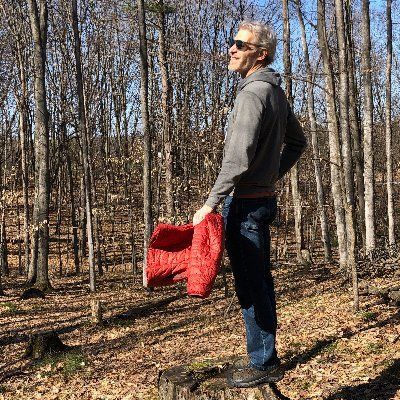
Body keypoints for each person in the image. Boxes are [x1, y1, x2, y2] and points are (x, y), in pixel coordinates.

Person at [193, 20, 307, 388]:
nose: (232, 48)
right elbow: (298, 143)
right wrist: (269, 176)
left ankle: (263, 362)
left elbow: (237, 159)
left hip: (244, 205)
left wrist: (210, 203)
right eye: (233, 42)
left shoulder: (252, 94)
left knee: (251, 285)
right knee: (258, 281)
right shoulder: (275, 92)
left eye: (241, 44)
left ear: (261, 54)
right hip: (261, 200)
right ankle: (264, 356)